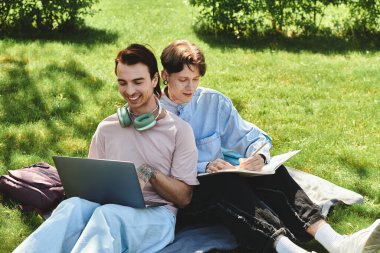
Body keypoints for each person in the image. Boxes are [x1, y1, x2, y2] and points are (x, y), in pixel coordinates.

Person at [159, 40, 380, 253]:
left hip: (224, 182)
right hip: (187, 199)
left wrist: (259, 157)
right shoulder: (153, 114)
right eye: (183, 80)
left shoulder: (213, 102)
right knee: (225, 184)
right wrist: (205, 166)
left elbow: (253, 137)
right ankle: (289, 249)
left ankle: (336, 243)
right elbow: (159, 165)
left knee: (272, 172)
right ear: (165, 76)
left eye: (195, 79)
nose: (191, 87)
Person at [13, 44, 199, 253]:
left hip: (157, 216)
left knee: (108, 215)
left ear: (154, 79)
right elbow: (89, 188)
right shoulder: (107, 128)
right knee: (71, 207)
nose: (130, 91)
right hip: (108, 208)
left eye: (138, 82)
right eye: (122, 83)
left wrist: (149, 173)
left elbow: (184, 198)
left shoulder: (180, 130)